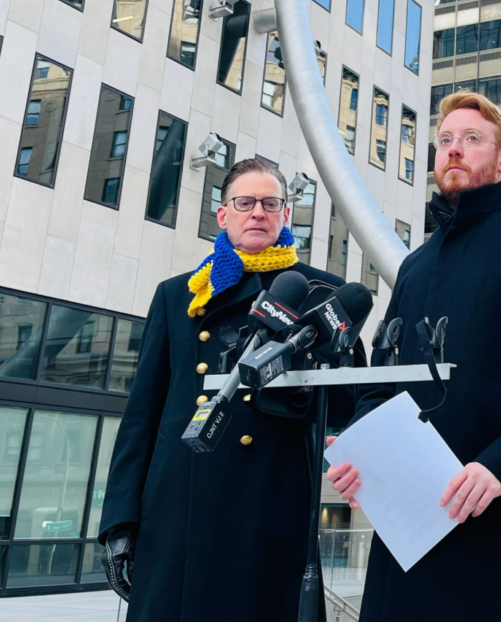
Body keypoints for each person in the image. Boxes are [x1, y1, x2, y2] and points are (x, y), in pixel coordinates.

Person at [326, 91, 501, 621]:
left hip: (494, 528)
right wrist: (361, 453)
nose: (454, 150)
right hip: (403, 533)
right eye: (445, 141)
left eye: (471, 139)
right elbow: (382, 381)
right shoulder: (414, 267)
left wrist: (500, 468)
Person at [97, 159, 359, 621]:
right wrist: (120, 522)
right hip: (181, 504)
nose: (257, 212)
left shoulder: (322, 292)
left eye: (270, 203)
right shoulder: (178, 295)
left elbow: (345, 402)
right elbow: (143, 414)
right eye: (245, 202)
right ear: (223, 214)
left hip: (272, 501)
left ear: (284, 214)